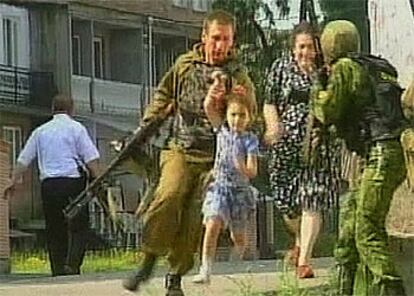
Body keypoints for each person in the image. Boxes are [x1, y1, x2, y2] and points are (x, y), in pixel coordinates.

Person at [122, 10, 256, 296]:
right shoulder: (185, 65)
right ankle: (148, 259)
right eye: (216, 38)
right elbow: (163, 94)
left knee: (197, 212)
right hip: (180, 149)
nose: (220, 46)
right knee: (169, 195)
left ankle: (175, 274)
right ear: (204, 37)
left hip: (216, 158)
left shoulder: (238, 73)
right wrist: (146, 126)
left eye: (227, 40)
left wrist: (232, 98)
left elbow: (249, 114)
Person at [311, 20, 407, 295]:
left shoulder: (344, 67)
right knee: (348, 228)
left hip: (379, 154)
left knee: (366, 230)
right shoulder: (377, 67)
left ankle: (392, 288)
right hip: (388, 152)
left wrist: (317, 86)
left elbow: (327, 111)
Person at [263, 21, 340, 278]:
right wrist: (273, 126)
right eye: (301, 47)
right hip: (285, 146)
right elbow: (269, 102)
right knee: (287, 204)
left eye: (309, 47)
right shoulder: (280, 68)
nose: (305, 52)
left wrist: (316, 79)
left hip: (317, 145)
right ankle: (299, 239)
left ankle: (304, 261)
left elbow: (332, 105)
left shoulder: (326, 71)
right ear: (293, 47)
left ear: (317, 49)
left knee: (312, 199)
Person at [5, 94, 100, 276]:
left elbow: (24, 159)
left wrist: (12, 180)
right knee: (79, 226)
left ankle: (57, 268)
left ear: (52, 110)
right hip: (73, 183)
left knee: (55, 227)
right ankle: (72, 265)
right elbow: (91, 159)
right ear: (71, 109)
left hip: (49, 185)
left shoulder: (40, 131)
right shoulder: (76, 128)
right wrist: (99, 182)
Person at [192, 92, 258, 284]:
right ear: (226, 116)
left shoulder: (250, 140)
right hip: (219, 187)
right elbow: (208, 106)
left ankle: (237, 258)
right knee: (213, 223)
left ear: (249, 117)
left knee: (239, 238)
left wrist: (242, 167)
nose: (237, 120)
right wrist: (216, 86)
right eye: (233, 115)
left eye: (242, 115)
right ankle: (205, 269)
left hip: (239, 192)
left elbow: (253, 170)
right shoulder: (222, 131)